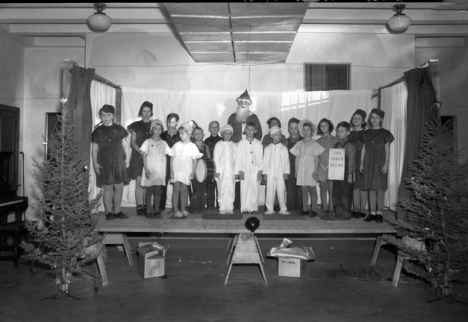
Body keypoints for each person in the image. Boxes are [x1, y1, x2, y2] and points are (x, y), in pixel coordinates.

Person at [91, 104, 130, 221]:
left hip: (118, 161)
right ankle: (108, 211)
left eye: (108, 115)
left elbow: (125, 145)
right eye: (103, 115)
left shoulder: (119, 128)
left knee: (119, 186)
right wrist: (95, 163)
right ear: (101, 116)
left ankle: (117, 210)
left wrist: (127, 159)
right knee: (108, 187)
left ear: (113, 116)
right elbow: (94, 149)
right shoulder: (97, 131)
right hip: (104, 161)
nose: (105, 117)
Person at [227, 90, 262, 211]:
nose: (243, 104)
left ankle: (251, 206)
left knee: (250, 183)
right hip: (236, 150)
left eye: (245, 102)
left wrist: (251, 146)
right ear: (238, 102)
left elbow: (259, 134)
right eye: (241, 102)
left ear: (249, 104)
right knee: (236, 177)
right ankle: (237, 204)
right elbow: (229, 133)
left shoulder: (254, 117)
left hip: (249, 153)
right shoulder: (232, 117)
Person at [359, 109, 394, 223]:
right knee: (370, 188)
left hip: (380, 162)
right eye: (372, 117)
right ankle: (372, 213)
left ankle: (379, 213)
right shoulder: (365, 133)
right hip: (368, 162)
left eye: (377, 117)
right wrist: (361, 163)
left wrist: (386, 164)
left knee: (380, 188)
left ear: (381, 119)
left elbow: (387, 150)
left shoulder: (385, 133)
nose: (374, 120)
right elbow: (363, 149)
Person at [290, 120, 325, 217]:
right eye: (304, 130)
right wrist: (297, 170)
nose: (306, 132)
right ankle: (305, 209)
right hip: (302, 169)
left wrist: (315, 171)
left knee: (312, 190)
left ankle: (313, 209)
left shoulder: (315, 144)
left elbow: (316, 158)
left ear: (312, 131)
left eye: (308, 130)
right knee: (304, 190)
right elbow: (297, 157)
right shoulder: (299, 143)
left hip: (311, 168)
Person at [140, 119, 172, 219]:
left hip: (160, 170)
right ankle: (149, 211)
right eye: (155, 129)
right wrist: (146, 169)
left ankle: (157, 211)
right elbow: (144, 156)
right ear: (151, 130)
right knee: (149, 191)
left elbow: (171, 153)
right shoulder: (147, 142)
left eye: (159, 129)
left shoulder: (164, 143)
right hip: (150, 168)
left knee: (158, 191)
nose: (157, 131)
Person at [170, 121, 203, 218]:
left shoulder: (192, 146)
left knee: (184, 189)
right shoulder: (176, 145)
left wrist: (193, 173)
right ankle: (175, 210)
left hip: (186, 170)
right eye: (179, 133)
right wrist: (171, 171)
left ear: (188, 133)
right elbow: (172, 158)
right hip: (176, 169)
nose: (180, 135)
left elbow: (195, 160)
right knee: (176, 189)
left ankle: (183, 209)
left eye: (182, 133)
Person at [127, 101, 153, 216]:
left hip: (151, 158)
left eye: (148, 111)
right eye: (144, 111)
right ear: (141, 112)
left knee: (147, 182)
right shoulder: (135, 125)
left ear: (151, 112)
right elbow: (132, 143)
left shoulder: (154, 125)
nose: (146, 113)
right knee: (139, 182)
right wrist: (142, 153)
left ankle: (147, 205)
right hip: (138, 156)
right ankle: (139, 206)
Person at [235, 122, 263, 214]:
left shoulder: (258, 143)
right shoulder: (241, 143)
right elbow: (238, 157)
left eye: (252, 130)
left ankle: (254, 207)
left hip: (255, 167)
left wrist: (260, 170)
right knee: (245, 188)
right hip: (245, 167)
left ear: (255, 131)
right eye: (248, 129)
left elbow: (261, 157)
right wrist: (240, 170)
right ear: (245, 130)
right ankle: (245, 208)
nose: (250, 131)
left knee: (254, 188)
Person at [263, 126, 290, 215]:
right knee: (270, 190)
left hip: (280, 172)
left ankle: (283, 208)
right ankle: (269, 208)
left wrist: (286, 172)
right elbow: (265, 162)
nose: (278, 137)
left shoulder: (283, 148)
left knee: (281, 190)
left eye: (279, 135)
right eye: (276, 135)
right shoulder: (267, 148)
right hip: (270, 172)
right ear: (271, 136)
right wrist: (265, 173)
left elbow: (286, 161)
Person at [332, 122, 356, 220]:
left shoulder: (349, 145)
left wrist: (350, 173)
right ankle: (338, 212)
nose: (339, 133)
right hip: (337, 172)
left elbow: (351, 159)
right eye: (338, 131)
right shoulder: (337, 144)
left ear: (348, 132)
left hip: (346, 173)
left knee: (345, 193)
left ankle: (346, 213)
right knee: (336, 193)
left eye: (342, 131)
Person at [316, 118, 338, 216]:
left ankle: (331, 207)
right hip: (321, 167)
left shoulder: (335, 139)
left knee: (332, 189)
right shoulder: (318, 141)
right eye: (321, 126)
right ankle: (324, 207)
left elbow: (337, 153)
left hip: (332, 167)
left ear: (329, 126)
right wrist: (321, 165)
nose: (323, 127)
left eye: (325, 125)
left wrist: (330, 165)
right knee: (323, 188)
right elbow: (316, 155)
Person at [214, 124, 237, 214]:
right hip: (221, 171)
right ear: (222, 134)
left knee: (231, 188)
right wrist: (217, 171)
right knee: (221, 188)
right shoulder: (218, 144)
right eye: (225, 133)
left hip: (231, 170)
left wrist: (236, 171)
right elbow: (216, 158)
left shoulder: (234, 145)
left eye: (229, 134)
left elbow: (236, 158)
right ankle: (222, 207)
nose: (227, 135)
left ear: (232, 134)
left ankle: (230, 207)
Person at [349, 109, 367, 219]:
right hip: (352, 159)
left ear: (363, 121)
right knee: (355, 185)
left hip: (363, 159)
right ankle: (355, 208)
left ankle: (363, 209)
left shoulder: (366, 133)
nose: (356, 120)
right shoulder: (349, 133)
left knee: (363, 185)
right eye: (354, 118)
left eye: (358, 118)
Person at [160, 113, 180, 210]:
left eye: (173, 122)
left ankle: (180, 207)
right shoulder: (162, 135)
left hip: (178, 162)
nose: (170, 124)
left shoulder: (181, 134)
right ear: (166, 122)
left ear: (177, 122)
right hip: (164, 162)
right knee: (162, 184)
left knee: (179, 183)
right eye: (169, 122)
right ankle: (160, 207)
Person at [191, 126, 211, 213]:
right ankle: (194, 208)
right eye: (196, 134)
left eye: (200, 133)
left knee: (203, 191)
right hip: (193, 171)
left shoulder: (206, 147)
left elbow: (209, 159)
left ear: (203, 135)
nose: (198, 135)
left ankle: (202, 208)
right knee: (195, 191)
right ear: (192, 135)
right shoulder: (191, 146)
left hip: (203, 173)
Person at [286, 118, 303, 214]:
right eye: (291, 128)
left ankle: (299, 207)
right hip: (289, 168)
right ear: (288, 129)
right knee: (290, 188)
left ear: (299, 128)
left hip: (301, 167)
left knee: (300, 188)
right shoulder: (285, 141)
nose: (293, 130)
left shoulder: (304, 141)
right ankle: (290, 207)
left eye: (295, 128)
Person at [204, 121, 222, 211]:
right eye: (212, 127)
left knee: (220, 186)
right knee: (210, 187)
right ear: (209, 129)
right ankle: (210, 205)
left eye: (216, 127)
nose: (214, 129)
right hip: (210, 167)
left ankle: (220, 204)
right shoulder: (206, 141)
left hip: (220, 167)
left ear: (219, 129)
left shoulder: (222, 140)